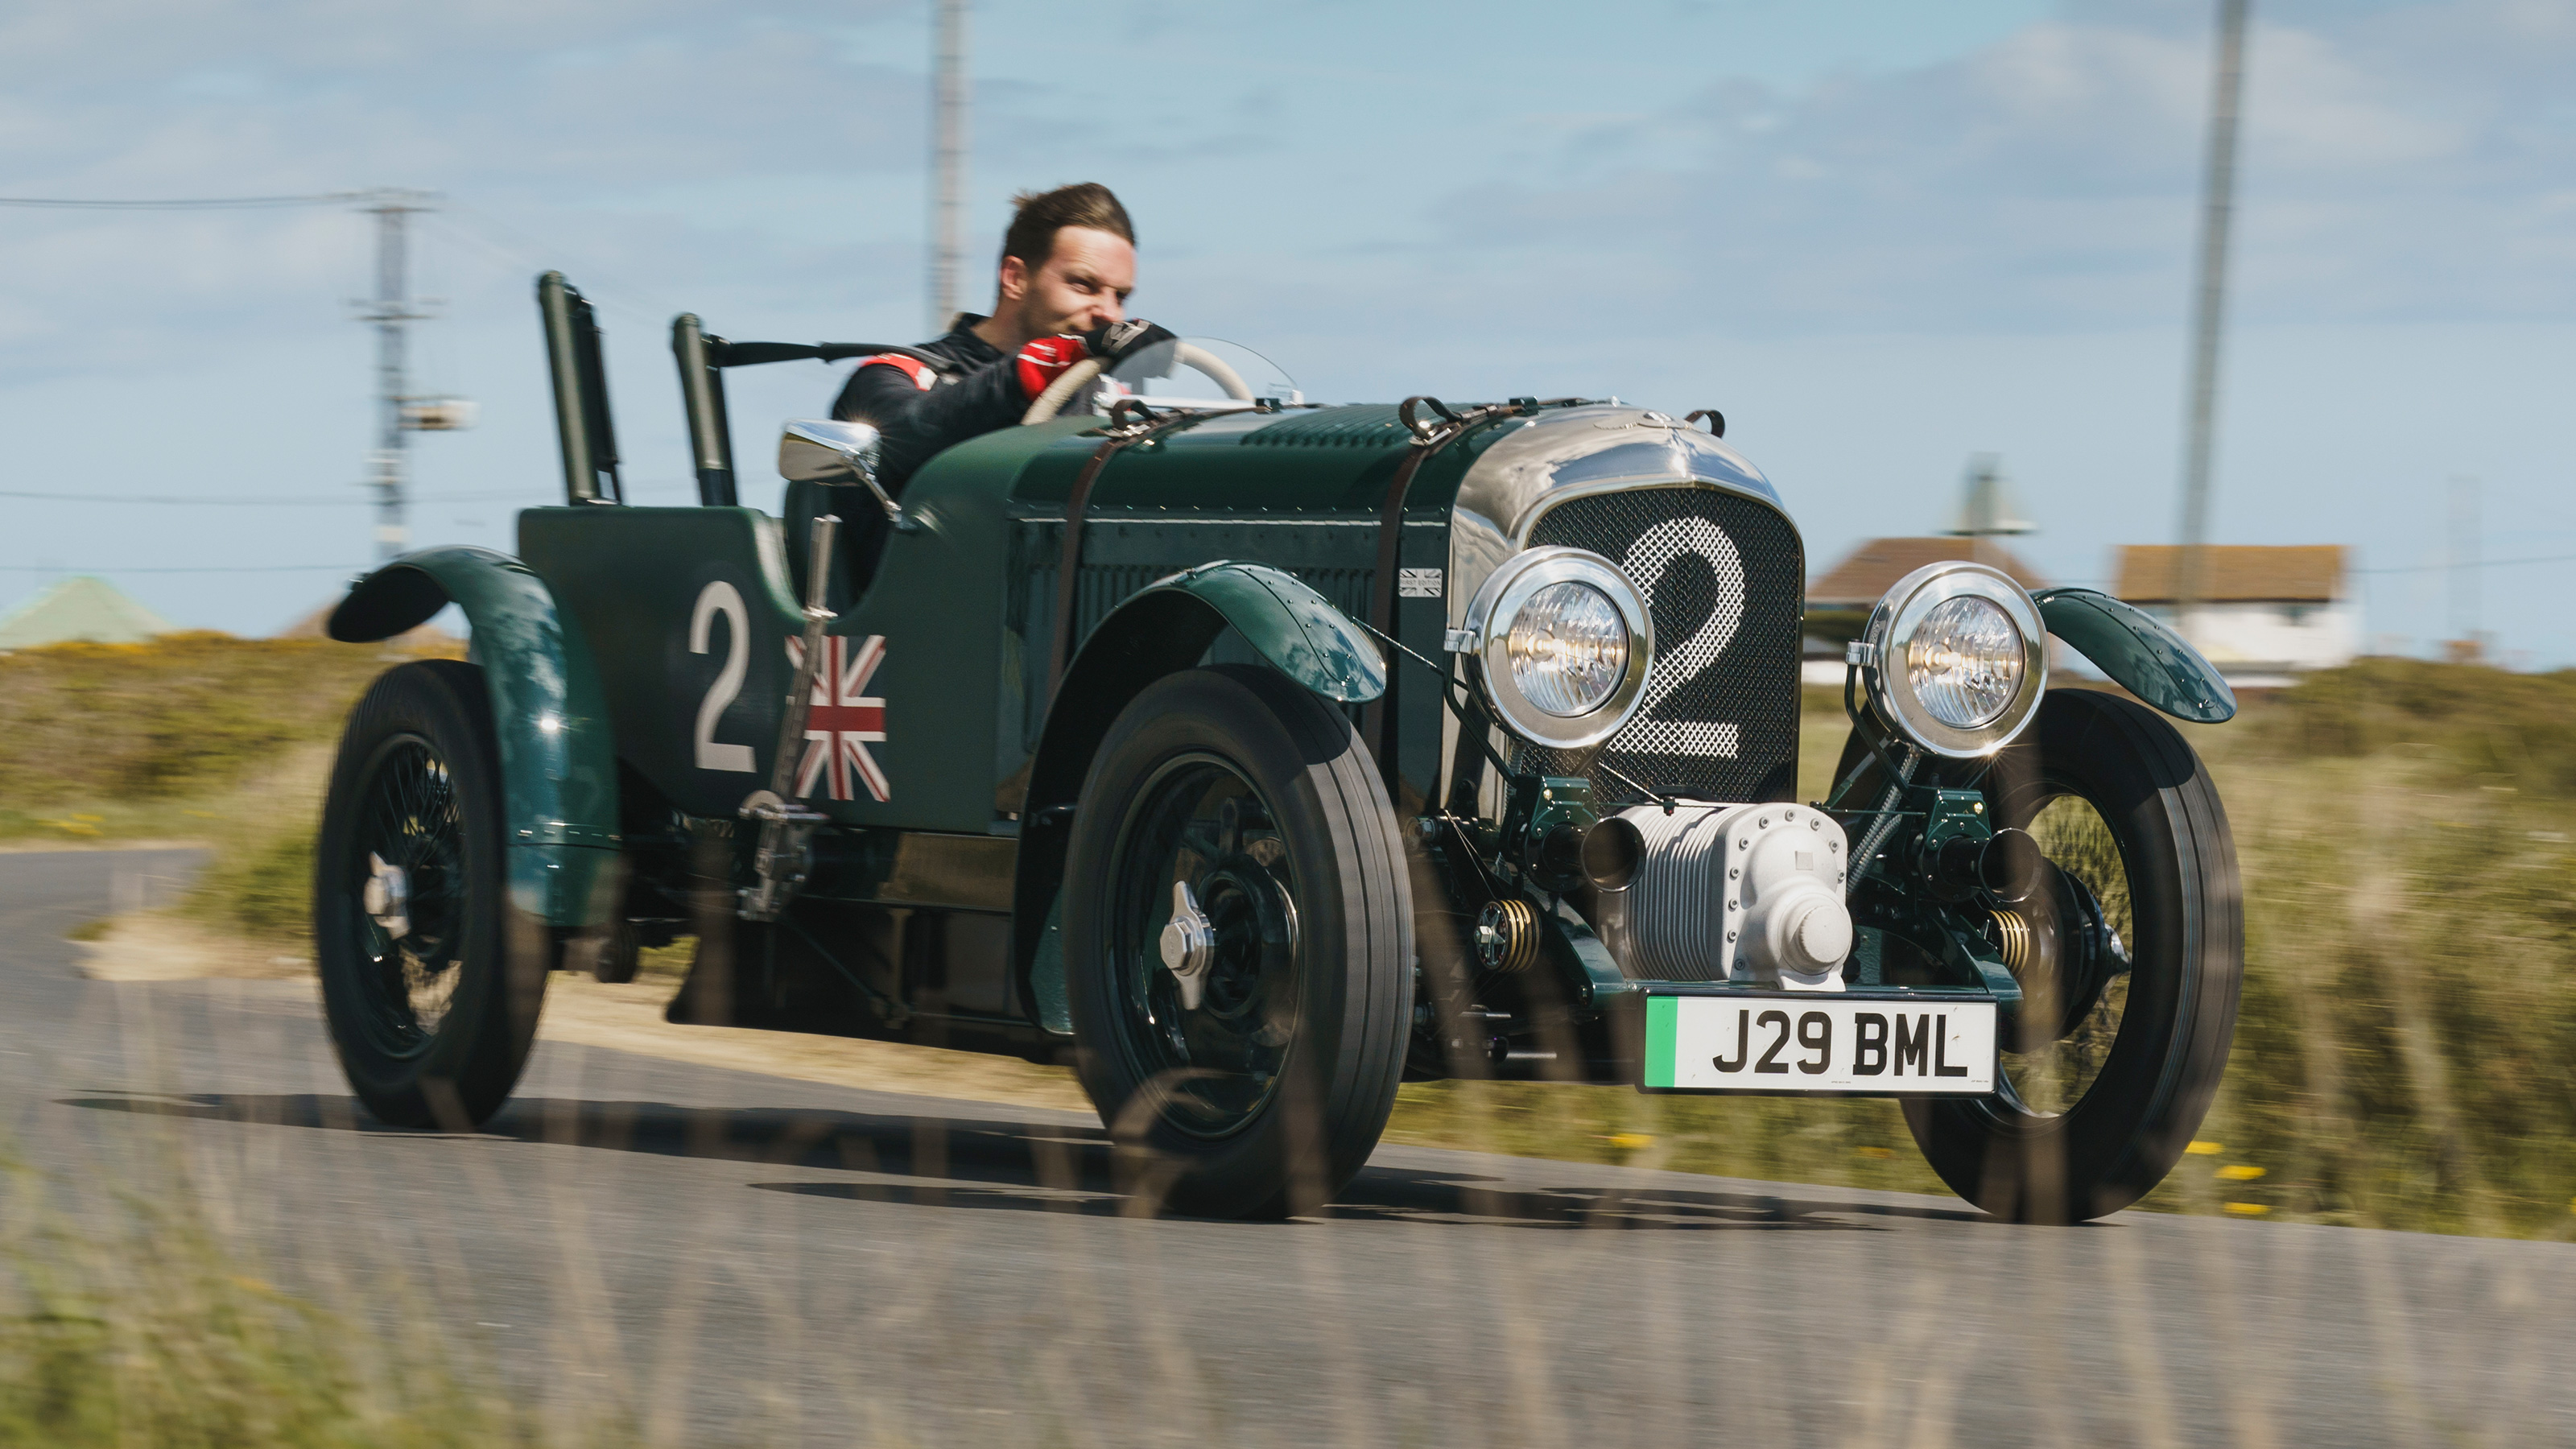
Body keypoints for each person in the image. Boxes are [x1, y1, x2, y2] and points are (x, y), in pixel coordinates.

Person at [832, 181, 1174, 494]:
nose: (1110, 314)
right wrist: (1052, 360)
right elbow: (901, 438)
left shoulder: (1110, 401)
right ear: (1015, 278)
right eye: (1083, 285)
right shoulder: (895, 374)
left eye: (1121, 297)